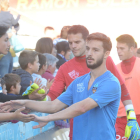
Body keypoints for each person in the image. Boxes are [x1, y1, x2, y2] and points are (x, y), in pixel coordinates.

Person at [1, 32, 121, 140]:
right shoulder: (78, 82)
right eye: (88, 49)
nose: (89, 53)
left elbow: (82, 107)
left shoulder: (111, 82)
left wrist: (48, 118)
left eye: (95, 50)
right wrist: (23, 102)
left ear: (106, 54)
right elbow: (54, 105)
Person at [46, 25, 139, 140]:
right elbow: (53, 96)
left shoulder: (105, 60)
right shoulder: (64, 68)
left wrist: (131, 117)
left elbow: (122, 88)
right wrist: (38, 99)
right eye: (70, 43)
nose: (73, 46)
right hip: (78, 131)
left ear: (86, 42)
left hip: (103, 132)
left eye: (77, 42)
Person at [116, 34, 140, 140]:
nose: (118, 51)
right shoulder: (114, 70)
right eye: (117, 48)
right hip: (120, 118)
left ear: (131, 49)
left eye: (122, 48)